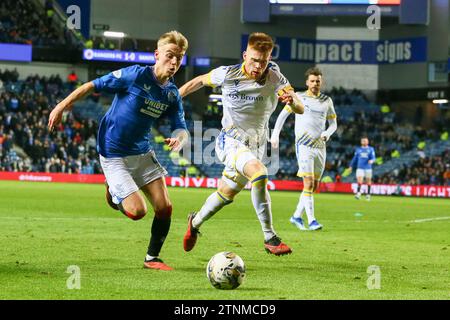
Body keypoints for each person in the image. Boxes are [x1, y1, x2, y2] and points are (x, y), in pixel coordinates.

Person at [48, 30, 189, 271]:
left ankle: (152, 258)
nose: (174, 62)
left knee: (165, 208)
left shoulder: (172, 94)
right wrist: (61, 106)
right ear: (157, 55)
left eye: (179, 57)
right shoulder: (134, 75)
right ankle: (114, 192)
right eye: (170, 55)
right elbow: (93, 85)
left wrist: (179, 139)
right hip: (113, 153)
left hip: (143, 152)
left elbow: (181, 128)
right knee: (137, 212)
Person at [179, 32, 304, 256]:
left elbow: (300, 108)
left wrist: (293, 101)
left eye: (263, 61)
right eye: (254, 60)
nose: (258, 66)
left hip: (255, 146)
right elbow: (199, 80)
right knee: (260, 173)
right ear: (245, 55)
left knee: (225, 194)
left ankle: (194, 223)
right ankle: (270, 237)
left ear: (269, 59)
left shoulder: (275, 77)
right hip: (231, 141)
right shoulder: (228, 74)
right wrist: (175, 97)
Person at [271, 67, 337, 231]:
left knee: (313, 186)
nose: (315, 83)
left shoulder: (326, 101)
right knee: (308, 184)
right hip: (304, 145)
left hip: (320, 147)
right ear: (307, 82)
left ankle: (296, 216)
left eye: (318, 81)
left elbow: (334, 124)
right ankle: (312, 220)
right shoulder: (298, 97)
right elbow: (282, 116)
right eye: (313, 80)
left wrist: (327, 134)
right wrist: (275, 135)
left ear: (322, 82)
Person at [347, 136, 376, 200]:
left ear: (368, 142)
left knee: (368, 181)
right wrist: (351, 166)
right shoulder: (358, 149)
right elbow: (354, 159)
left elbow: (373, 157)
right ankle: (358, 193)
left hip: (368, 168)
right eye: (363, 141)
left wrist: (371, 160)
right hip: (360, 167)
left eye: (365, 140)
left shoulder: (371, 149)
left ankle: (368, 194)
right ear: (361, 142)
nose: (364, 142)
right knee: (359, 180)